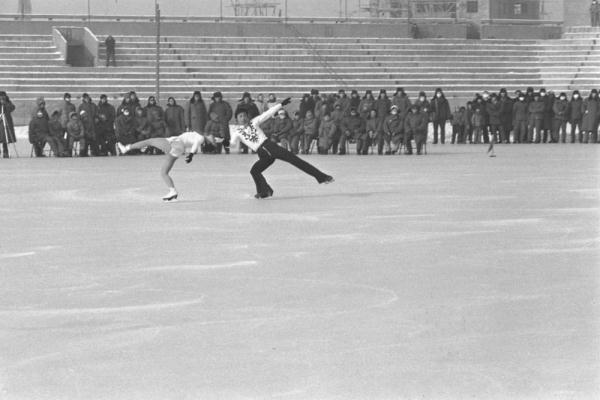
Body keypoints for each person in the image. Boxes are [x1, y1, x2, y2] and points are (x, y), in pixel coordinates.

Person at [225, 97, 333, 199]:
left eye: (244, 115)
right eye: (240, 116)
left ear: (247, 116)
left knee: (295, 160)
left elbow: (268, 113)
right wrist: (225, 142)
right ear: (237, 119)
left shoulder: (254, 122)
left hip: (269, 146)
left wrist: (281, 105)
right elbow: (232, 144)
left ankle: (322, 177)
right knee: (255, 171)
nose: (243, 118)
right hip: (262, 154)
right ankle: (264, 191)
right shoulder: (237, 132)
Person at [118, 131, 217, 201]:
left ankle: (126, 148)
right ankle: (172, 191)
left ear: (209, 141)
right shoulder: (203, 138)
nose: (214, 137)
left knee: (150, 141)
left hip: (175, 144)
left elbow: (196, 144)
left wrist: (191, 154)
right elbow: (219, 139)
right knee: (164, 172)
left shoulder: (201, 138)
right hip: (178, 150)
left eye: (213, 140)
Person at [0, 91, 17, 158]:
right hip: (1, 121)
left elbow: (12, 108)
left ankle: (5, 152)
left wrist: (5, 104)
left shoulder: (7, 102)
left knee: (5, 138)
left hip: (6, 122)